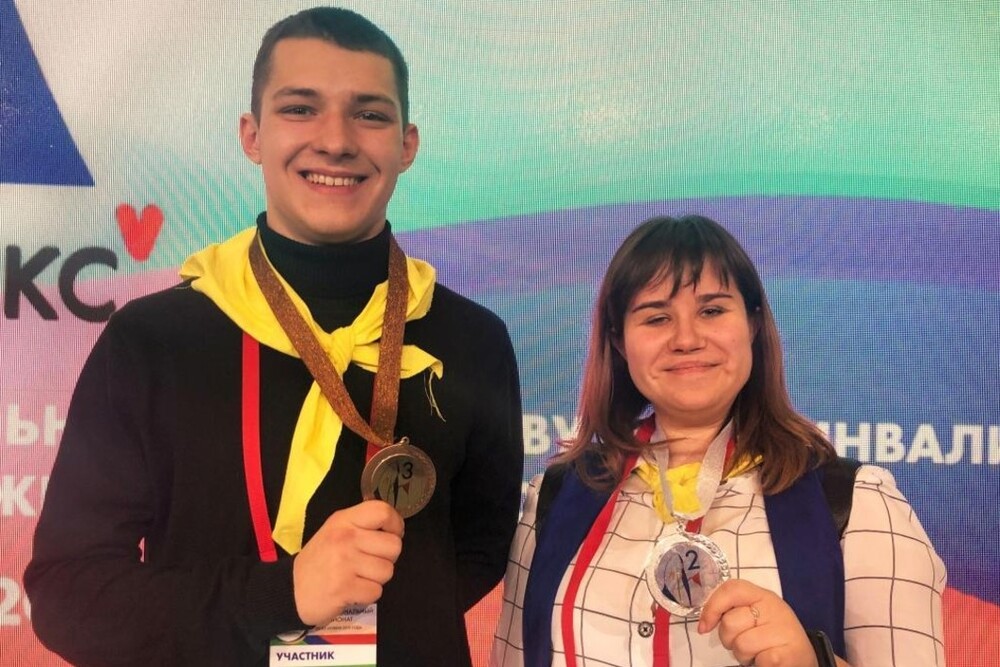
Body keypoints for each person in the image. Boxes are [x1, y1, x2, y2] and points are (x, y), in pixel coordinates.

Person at [25, 7, 523, 666]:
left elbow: (478, 552)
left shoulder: (472, 341)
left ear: (406, 144)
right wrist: (283, 596)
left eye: (369, 114)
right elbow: (69, 594)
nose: (336, 140)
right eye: (300, 109)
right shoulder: (152, 342)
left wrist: (372, 633)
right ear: (252, 134)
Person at [491, 215, 945, 667]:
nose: (686, 339)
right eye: (656, 318)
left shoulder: (856, 505)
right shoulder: (554, 499)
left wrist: (814, 662)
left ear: (753, 324)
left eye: (711, 311)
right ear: (620, 342)